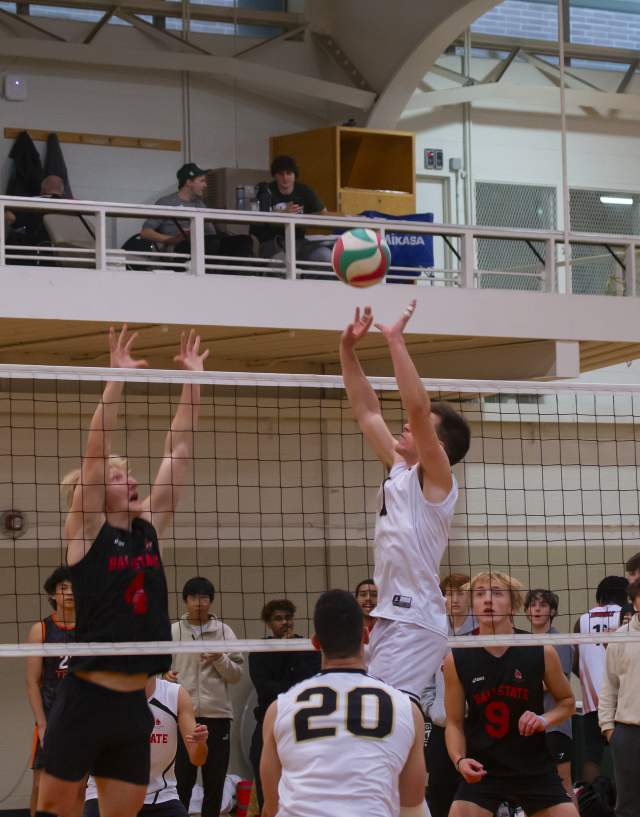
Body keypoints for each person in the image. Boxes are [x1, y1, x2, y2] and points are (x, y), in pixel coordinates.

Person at [36, 325, 208, 817]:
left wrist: (193, 381)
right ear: (92, 493)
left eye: (129, 472)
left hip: (136, 705)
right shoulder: (86, 531)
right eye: (118, 477)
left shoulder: (149, 528)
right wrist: (115, 379)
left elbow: (178, 451)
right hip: (87, 697)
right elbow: (94, 453)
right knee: (53, 807)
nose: (130, 478)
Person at [340, 301, 470, 701]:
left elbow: (417, 407)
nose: (406, 428)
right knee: (387, 717)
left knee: (384, 714)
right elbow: (366, 410)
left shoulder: (438, 480)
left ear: (439, 446)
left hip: (415, 620)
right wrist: (347, 350)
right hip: (391, 617)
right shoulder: (399, 469)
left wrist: (395, 341)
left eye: (419, 430)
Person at [260, 589, 428, 817]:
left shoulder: (278, 709)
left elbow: (272, 806)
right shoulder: (407, 709)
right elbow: (411, 802)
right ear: (366, 635)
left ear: (316, 642)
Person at [444, 571, 577, 817]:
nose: (487, 600)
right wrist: (460, 760)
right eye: (480, 594)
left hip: (534, 768)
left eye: (496, 594)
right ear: (473, 605)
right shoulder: (457, 657)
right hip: (484, 769)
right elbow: (453, 722)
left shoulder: (540, 650)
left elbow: (567, 701)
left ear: (514, 606)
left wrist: (544, 719)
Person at [165, 576, 243, 817]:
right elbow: (159, 668)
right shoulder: (174, 631)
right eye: (193, 598)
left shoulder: (224, 631)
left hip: (217, 716)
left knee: (215, 781)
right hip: (181, 717)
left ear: (211, 601)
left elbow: (236, 675)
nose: (199, 603)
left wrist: (219, 657)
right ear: (185, 601)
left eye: (204, 598)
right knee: (182, 781)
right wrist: (164, 676)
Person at [83, 676, 208, 817]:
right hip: (105, 795)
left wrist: (199, 743)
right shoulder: (101, 693)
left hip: (161, 795)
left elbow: (198, 759)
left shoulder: (175, 694)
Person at [249, 598, 321, 811]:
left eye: (288, 617)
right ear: (269, 624)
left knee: (302, 787)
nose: (285, 622)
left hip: (302, 725)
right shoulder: (260, 650)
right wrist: (291, 676)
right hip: (267, 725)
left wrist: (292, 651)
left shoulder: (307, 646)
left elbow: (310, 682)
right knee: (267, 789)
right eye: (278, 619)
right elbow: (266, 688)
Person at [421, 574, 475, 817]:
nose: (454, 599)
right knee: (439, 791)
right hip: (442, 727)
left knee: (474, 792)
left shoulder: (483, 631)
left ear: (470, 597)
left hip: (474, 727)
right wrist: (433, 709)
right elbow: (424, 678)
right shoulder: (434, 632)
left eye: (461, 593)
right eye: (449, 593)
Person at [26, 567, 76, 817]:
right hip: (51, 719)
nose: (69, 593)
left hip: (83, 720)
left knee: (79, 788)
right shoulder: (42, 630)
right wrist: (42, 724)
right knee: (40, 786)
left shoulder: (93, 630)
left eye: (74, 588)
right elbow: (32, 682)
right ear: (53, 595)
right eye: (63, 588)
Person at [573, 574, 628, 783]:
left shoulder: (582, 620)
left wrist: (590, 679)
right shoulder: (627, 617)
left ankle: (591, 803)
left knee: (592, 756)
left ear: (599, 597)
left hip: (592, 701)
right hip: (623, 701)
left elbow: (575, 663)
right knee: (627, 755)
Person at [140, 163, 254, 264]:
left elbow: (211, 234)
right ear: (189, 182)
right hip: (179, 247)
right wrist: (171, 239)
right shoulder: (166, 202)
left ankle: (230, 278)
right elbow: (145, 232)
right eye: (202, 181)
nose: (206, 185)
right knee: (210, 243)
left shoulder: (200, 204)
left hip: (205, 245)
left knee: (243, 241)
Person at [524, 589, 576, 805]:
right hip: (528, 725)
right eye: (533, 605)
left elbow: (556, 685)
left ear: (552, 611)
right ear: (526, 610)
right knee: (531, 785)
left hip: (555, 725)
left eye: (543, 605)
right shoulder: (520, 641)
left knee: (563, 784)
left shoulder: (560, 642)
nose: (537, 609)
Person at [598, 578, 640, 817]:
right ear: (634, 602)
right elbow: (609, 687)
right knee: (628, 807)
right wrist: (608, 729)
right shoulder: (620, 637)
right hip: (628, 732)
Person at [250, 154, 332, 268]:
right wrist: (282, 214)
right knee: (282, 262)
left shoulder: (304, 190)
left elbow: (323, 213)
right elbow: (256, 221)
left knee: (325, 255)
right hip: (271, 243)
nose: (285, 177)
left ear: (295, 175)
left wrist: (303, 217)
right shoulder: (265, 191)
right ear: (275, 175)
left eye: (289, 173)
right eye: (281, 174)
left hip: (299, 243)